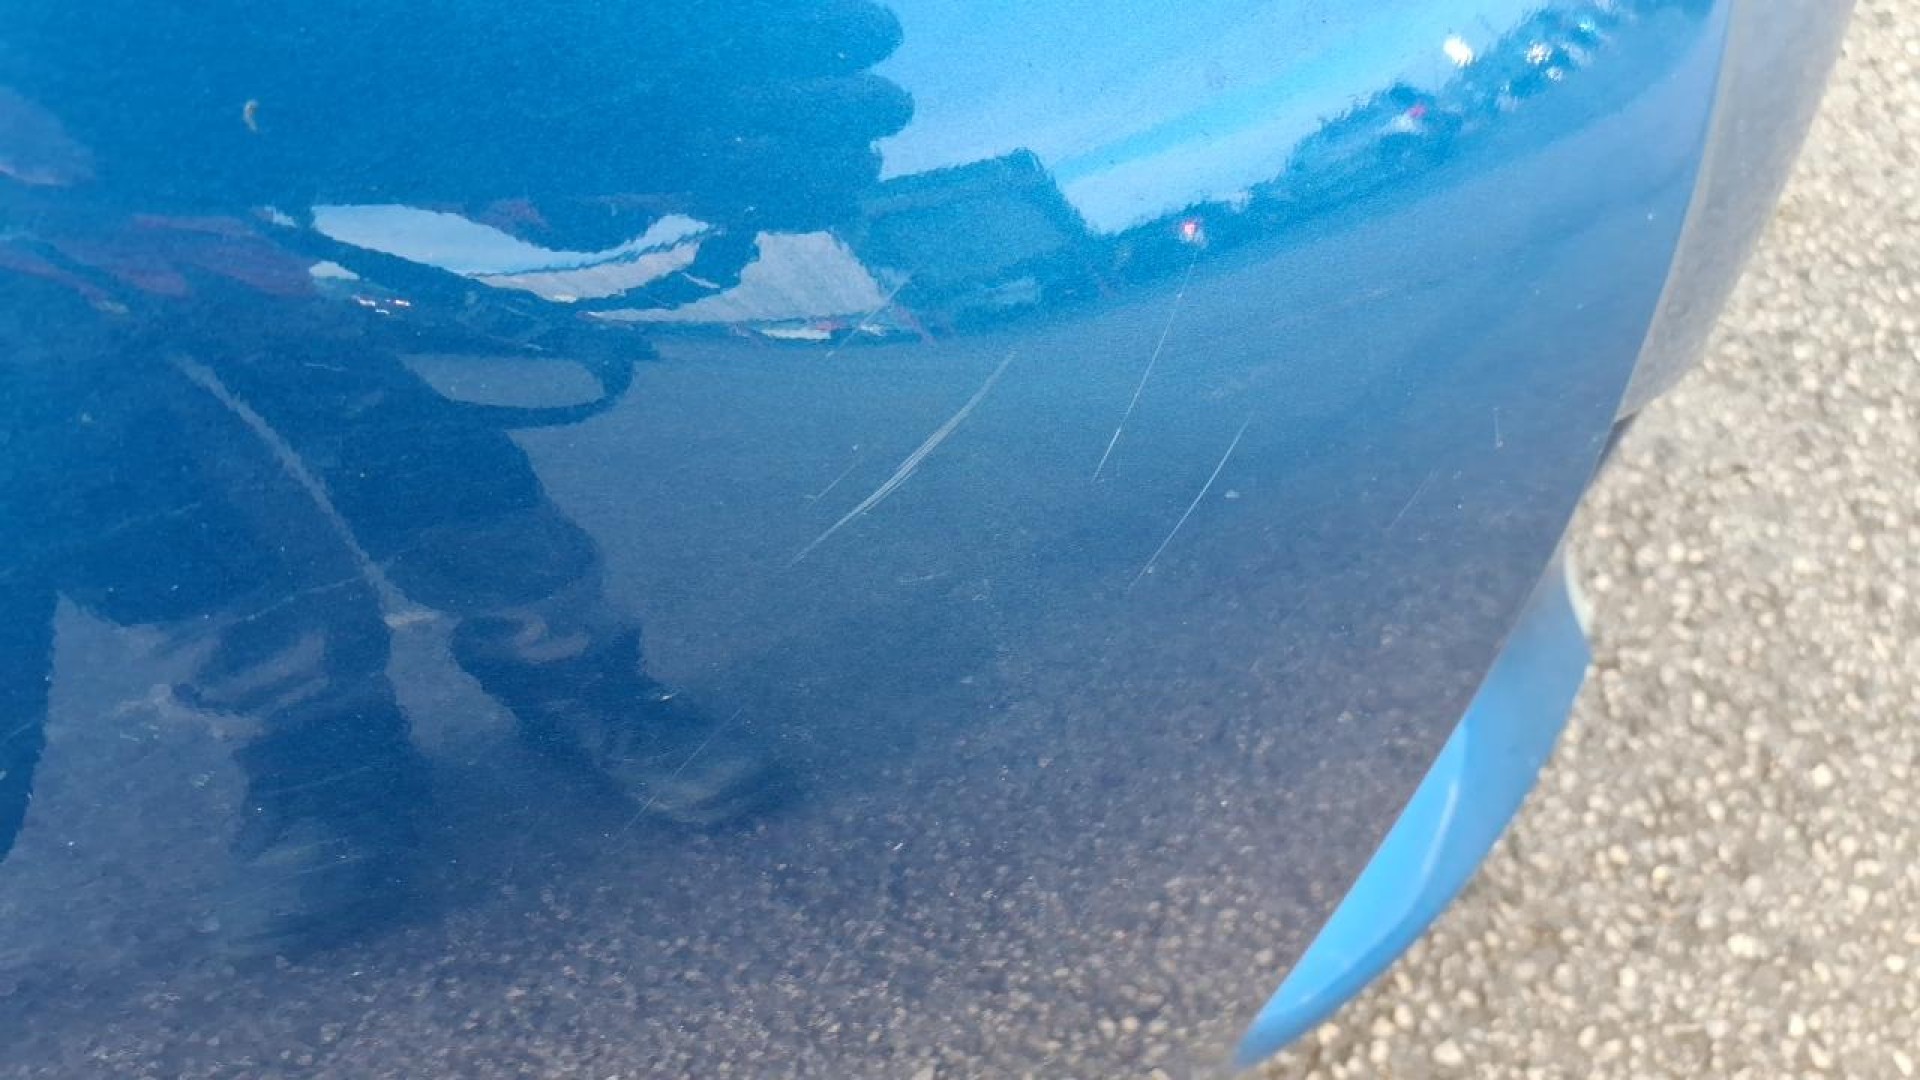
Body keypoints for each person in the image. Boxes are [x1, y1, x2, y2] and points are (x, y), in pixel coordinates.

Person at [0, 1, 912, 954]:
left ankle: (576, 677)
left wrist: (468, 155)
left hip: (215, 167)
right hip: (32, 259)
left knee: (393, 429)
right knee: (132, 492)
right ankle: (316, 753)